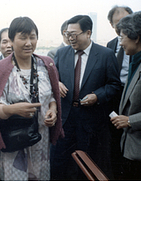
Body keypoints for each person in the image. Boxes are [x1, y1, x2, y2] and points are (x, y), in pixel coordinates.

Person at [0, 16, 64, 181]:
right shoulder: (0, 68)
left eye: (32, 37)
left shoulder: (46, 64)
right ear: (12, 40)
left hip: (40, 139)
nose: (28, 42)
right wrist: (11, 110)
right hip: (14, 139)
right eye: (23, 37)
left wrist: (52, 110)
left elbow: (51, 96)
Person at [51, 15, 121, 180]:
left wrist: (97, 96)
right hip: (66, 119)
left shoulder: (105, 54)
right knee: (59, 164)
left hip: (91, 121)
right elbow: (53, 79)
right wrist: (57, 83)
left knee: (87, 166)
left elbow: (114, 85)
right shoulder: (61, 53)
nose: (70, 38)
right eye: (67, 34)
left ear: (88, 33)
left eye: (74, 34)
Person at [107, 5, 141, 180]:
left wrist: (130, 120)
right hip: (132, 147)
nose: (120, 42)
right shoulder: (138, 60)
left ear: (136, 38)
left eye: (122, 37)